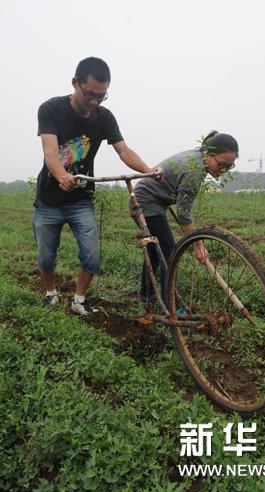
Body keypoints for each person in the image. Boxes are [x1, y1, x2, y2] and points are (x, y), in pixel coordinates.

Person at [33, 56, 158, 315]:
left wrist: (148, 170)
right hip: (48, 200)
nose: (95, 102)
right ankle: (50, 292)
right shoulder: (51, 109)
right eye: (90, 94)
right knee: (46, 256)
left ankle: (79, 299)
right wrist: (61, 176)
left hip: (81, 200)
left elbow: (123, 150)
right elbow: (50, 152)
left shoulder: (104, 117)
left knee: (92, 256)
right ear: (75, 83)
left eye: (102, 96)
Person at [132, 131, 239, 306]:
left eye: (229, 166)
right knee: (170, 253)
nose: (224, 170)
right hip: (146, 202)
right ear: (209, 154)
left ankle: (147, 295)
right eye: (221, 164)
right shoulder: (194, 170)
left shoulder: (198, 156)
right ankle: (172, 304)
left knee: (154, 248)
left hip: (154, 200)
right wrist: (198, 244)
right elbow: (183, 214)